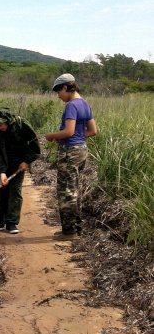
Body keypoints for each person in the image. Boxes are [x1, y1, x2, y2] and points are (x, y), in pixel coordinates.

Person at [45, 73, 97, 240]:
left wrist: (52, 136)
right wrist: (79, 139)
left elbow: (69, 131)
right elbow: (93, 131)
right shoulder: (85, 104)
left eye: (59, 92)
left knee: (66, 191)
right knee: (75, 189)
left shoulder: (72, 106)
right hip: (81, 149)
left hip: (70, 152)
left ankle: (69, 232)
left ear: (66, 88)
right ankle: (77, 228)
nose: (59, 96)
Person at [0, 108, 41, 234]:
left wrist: (27, 162)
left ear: (7, 122)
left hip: (18, 165)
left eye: (0, 125)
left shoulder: (22, 125)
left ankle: (11, 222)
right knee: (0, 190)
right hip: (2, 164)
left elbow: (35, 145)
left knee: (15, 191)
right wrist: (1, 171)